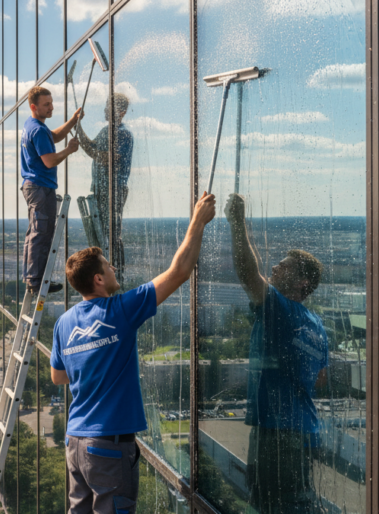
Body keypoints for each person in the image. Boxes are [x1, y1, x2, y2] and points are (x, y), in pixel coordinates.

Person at [50, 192, 217, 514]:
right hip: (109, 444)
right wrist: (198, 220)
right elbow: (179, 272)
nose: (114, 269)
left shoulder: (63, 323)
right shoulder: (119, 311)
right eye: (108, 267)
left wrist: (91, 356)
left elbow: (59, 377)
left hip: (75, 442)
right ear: (99, 279)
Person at [225, 193, 328, 514]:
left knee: (274, 505)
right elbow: (321, 379)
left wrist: (237, 222)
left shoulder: (282, 311)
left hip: (279, 431)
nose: (273, 267)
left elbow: (247, 273)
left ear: (301, 282)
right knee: (293, 501)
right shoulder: (316, 325)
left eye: (282, 267)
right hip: (301, 428)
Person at [21, 85, 84, 294]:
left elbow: (53, 137)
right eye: (46, 104)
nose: (51, 107)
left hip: (35, 187)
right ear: (34, 106)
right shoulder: (38, 130)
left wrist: (73, 121)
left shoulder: (33, 125)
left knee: (36, 233)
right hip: (40, 187)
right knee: (41, 233)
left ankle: (34, 279)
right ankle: (36, 281)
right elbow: (49, 161)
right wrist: (70, 150)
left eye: (51, 103)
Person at [77, 93, 133, 269]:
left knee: (111, 233)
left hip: (114, 190)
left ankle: (117, 272)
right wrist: (78, 128)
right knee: (102, 231)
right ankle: (105, 268)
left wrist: (87, 145)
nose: (105, 109)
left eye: (110, 106)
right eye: (106, 105)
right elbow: (91, 147)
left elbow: (108, 158)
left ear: (122, 112)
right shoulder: (105, 131)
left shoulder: (124, 134)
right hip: (101, 189)